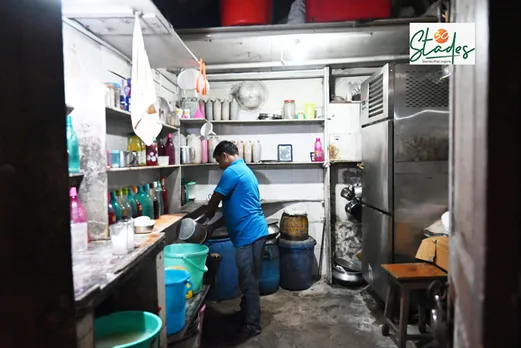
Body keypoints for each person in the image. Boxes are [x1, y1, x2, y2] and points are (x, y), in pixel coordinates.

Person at [204, 140, 268, 339]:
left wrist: (207, 215)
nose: (219, 166)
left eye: (218, 161)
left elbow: (215, 200)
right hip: (254, 232)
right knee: (248, 279)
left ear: (224, 155)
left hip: (249, 235)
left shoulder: (231, 172)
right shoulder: (244, 170)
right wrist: (214, 225)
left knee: (248, 280)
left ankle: (252, 325)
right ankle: (246, 312)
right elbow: (235, 208)